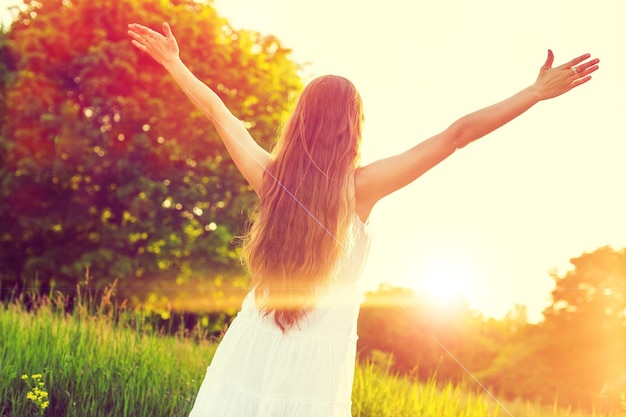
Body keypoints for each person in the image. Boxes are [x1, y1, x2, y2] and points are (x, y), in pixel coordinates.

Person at [127, 21, 599, 417]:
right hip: (315, 362)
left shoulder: (269, 178)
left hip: (252, 339)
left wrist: (175, 63)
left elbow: (218, 113)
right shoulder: (362, 189)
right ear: (351, 128)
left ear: (299, 121)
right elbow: (457, 135)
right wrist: (533, 93)